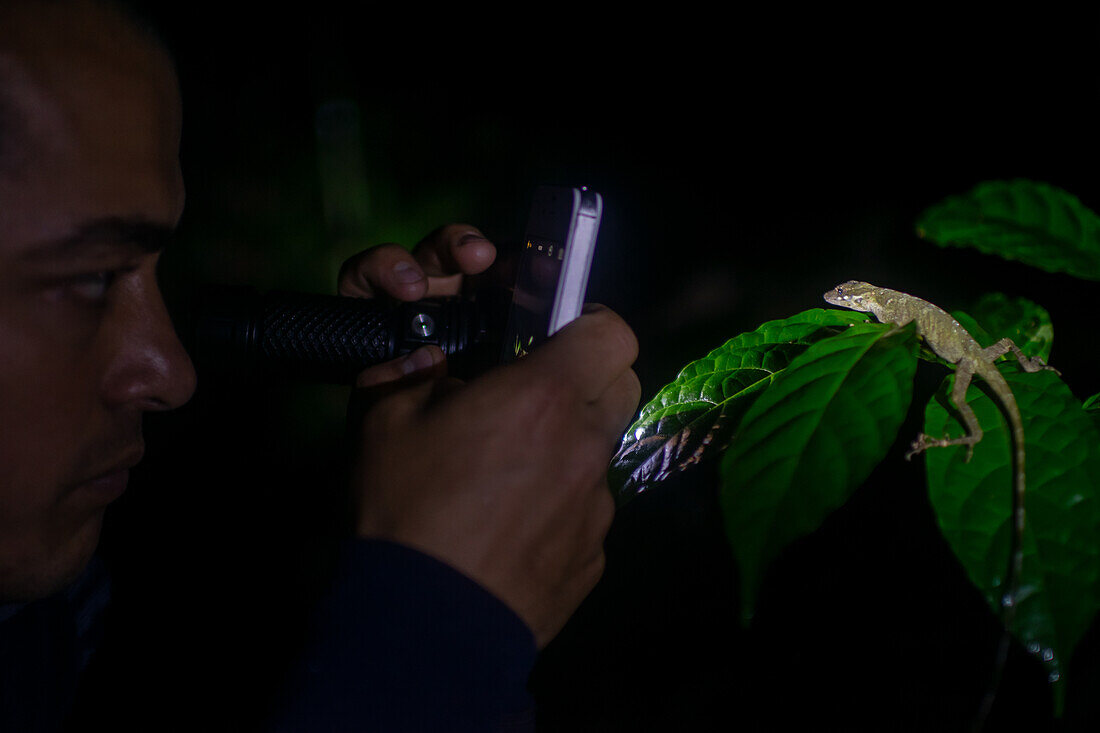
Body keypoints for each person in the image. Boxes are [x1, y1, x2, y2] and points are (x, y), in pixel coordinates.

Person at [0, 1, 641, 731]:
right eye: (89, 279)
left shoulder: (46, 620)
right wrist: (435, 631)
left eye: (155, 267)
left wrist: (385, 523)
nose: (171, 372)